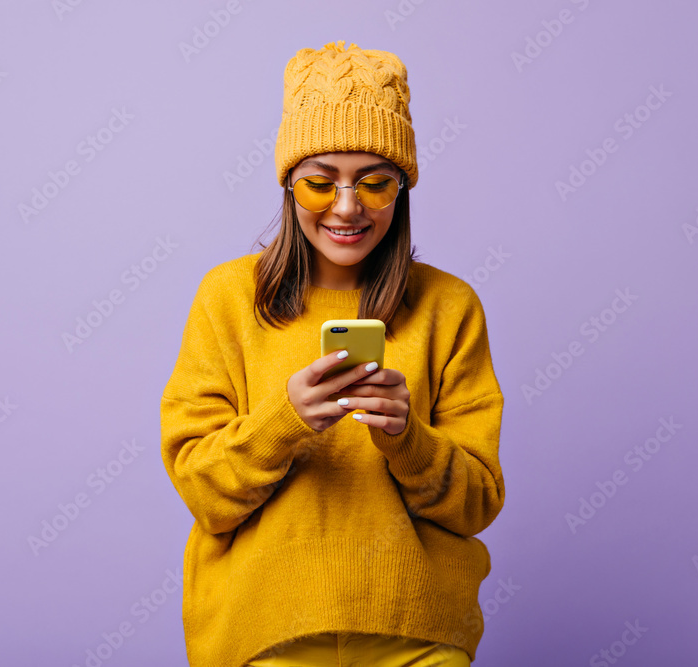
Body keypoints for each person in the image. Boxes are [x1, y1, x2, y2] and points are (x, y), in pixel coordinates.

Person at [160, 40, 505, 667]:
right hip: (264, 631)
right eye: (320, 182)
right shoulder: (228, 298)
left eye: (374, 182)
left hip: (419, 635)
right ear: (289, 185)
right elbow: (202, 489)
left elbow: (477, 502)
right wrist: (283, 421)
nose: (347, 208)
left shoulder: (449, 307)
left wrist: (409, 439)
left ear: (401, 188)